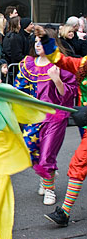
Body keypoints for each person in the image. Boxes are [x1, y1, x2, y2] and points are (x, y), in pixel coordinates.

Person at [14, 31, 76, 206]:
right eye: (35, 41)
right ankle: (46, 172)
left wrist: (57, 80)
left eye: (41, 41)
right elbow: (18, 91)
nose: (37, 44)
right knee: (28, 149)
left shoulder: (61, 65)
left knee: (47, 154)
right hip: (34, 116)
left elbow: (68, 94)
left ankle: (49, 189)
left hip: (55, 117)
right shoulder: (28, 65)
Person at [36, 25, 87, 226]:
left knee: (78, 163)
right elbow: (59, 59)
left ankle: (63, 213)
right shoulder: (83, 64)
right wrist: (46, 39)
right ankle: (63, 213)